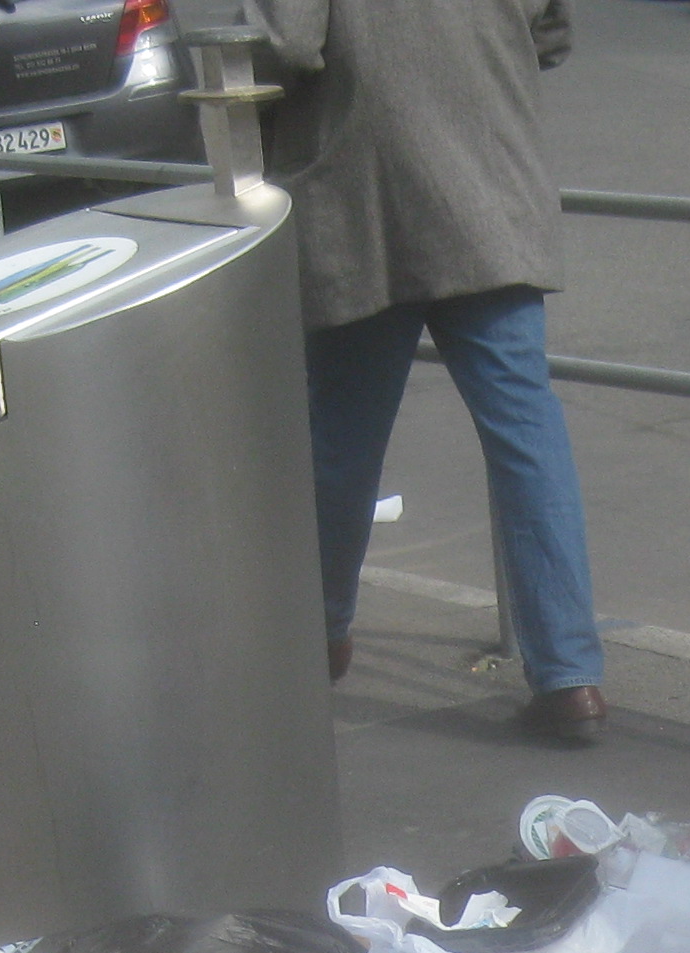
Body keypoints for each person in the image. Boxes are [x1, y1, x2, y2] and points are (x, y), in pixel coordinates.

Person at [255, 0, 609, 746]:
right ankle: (568, 675)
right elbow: (550, 33)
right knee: (527, 433)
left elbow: (283, 42)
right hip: (490, 197)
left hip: (365, 205)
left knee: (342, 445)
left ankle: (319, 637)